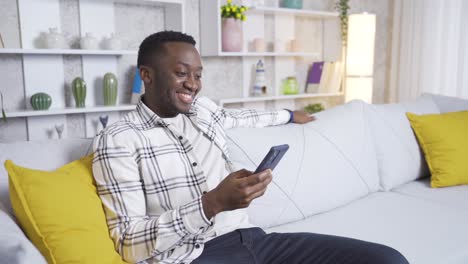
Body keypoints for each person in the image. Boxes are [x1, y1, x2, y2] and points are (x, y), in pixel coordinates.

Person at [92, 31, 409, 264]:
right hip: (192, 256)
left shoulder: (203, 111)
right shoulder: (119, 138)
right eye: (181, 73)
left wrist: (288, 115)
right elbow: (130, 243)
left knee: (388, 260)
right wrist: (212, 203)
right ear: (146, 75)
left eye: (198, 74)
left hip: (257, 241)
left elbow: (241, 116)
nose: (193, 83)